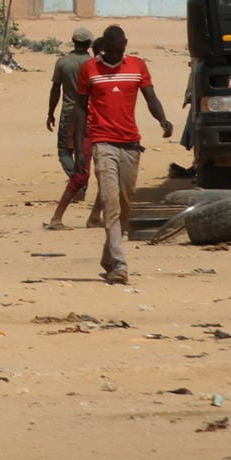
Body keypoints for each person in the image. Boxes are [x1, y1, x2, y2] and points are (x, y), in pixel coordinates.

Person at [76, 24, 173, 285]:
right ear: (103, 47)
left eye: (121, 49)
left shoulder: (137, 66)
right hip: (102, 143)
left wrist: (163, 120)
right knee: (110, 203)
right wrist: (80, 149)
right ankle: (119, 265)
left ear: (126, 45)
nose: (117, 54)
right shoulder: (89, 70)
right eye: (112, 50)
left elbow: (150, 97)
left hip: (131, 144)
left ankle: (108, 258)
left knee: (125, 203)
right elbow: (80, 109)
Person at [45, 27, 102, 230]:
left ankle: (78, 180)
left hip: (69, 112)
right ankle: (80, 179)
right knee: (84, 150)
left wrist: (50, 112)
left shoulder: (63, 62)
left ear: (73, 41)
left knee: (64, 150)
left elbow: (55, 89)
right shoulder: (93, 64)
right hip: (90, 113)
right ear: (88, 44)